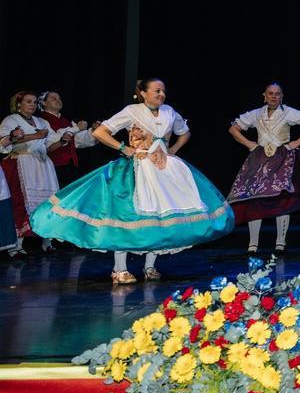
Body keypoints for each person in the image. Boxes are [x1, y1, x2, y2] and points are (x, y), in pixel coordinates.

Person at [30, 78, 234, 283]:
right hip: (138, 167)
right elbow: (101, 132)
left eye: (163, 91)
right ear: (144, 93)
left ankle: (150, 267)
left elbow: (185, 132)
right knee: (127, 215)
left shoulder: (169, 112)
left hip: (164, 170)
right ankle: (119, 270)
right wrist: (123, 148)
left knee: (159, 216)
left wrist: (172, 150)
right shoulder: (132, 110)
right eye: (157, 90)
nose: (161, 94)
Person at [227, 83, 300, 253]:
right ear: (264, 96)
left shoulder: (288, 112)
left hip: (282, 158)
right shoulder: (256, 114)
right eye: (270, 94)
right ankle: (253, 243)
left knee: (282, 199)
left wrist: (296, 143)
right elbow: (233, 128)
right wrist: (249, 144)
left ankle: (280, 242)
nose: (274, 97)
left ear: (282, 96)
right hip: (259, 159)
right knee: (255, 197)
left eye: (277, 94)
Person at [1, 91, 63, 256]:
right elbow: (5, 142)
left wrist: (62, 141)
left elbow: (49, 146)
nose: (32, 105)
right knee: (21, 202)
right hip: (21, 163)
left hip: (42, 166)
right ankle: (17, 244)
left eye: (35, 102)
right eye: (28, 101)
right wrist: (34, 135)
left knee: (47, 202)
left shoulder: (41, 121)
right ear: (18, 104)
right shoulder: (11, 120)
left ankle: (46, 240)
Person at [36, 90, 98, 191]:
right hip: (51, 167)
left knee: (69, 199)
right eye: (54, 98)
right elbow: (51, 140)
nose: (58, 100)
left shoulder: (66, 121)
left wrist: (95, 131)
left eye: (59, 98)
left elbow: (80, 140)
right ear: (43, 102)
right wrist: (76, 128)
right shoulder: (40, 120)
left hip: (70, 166)